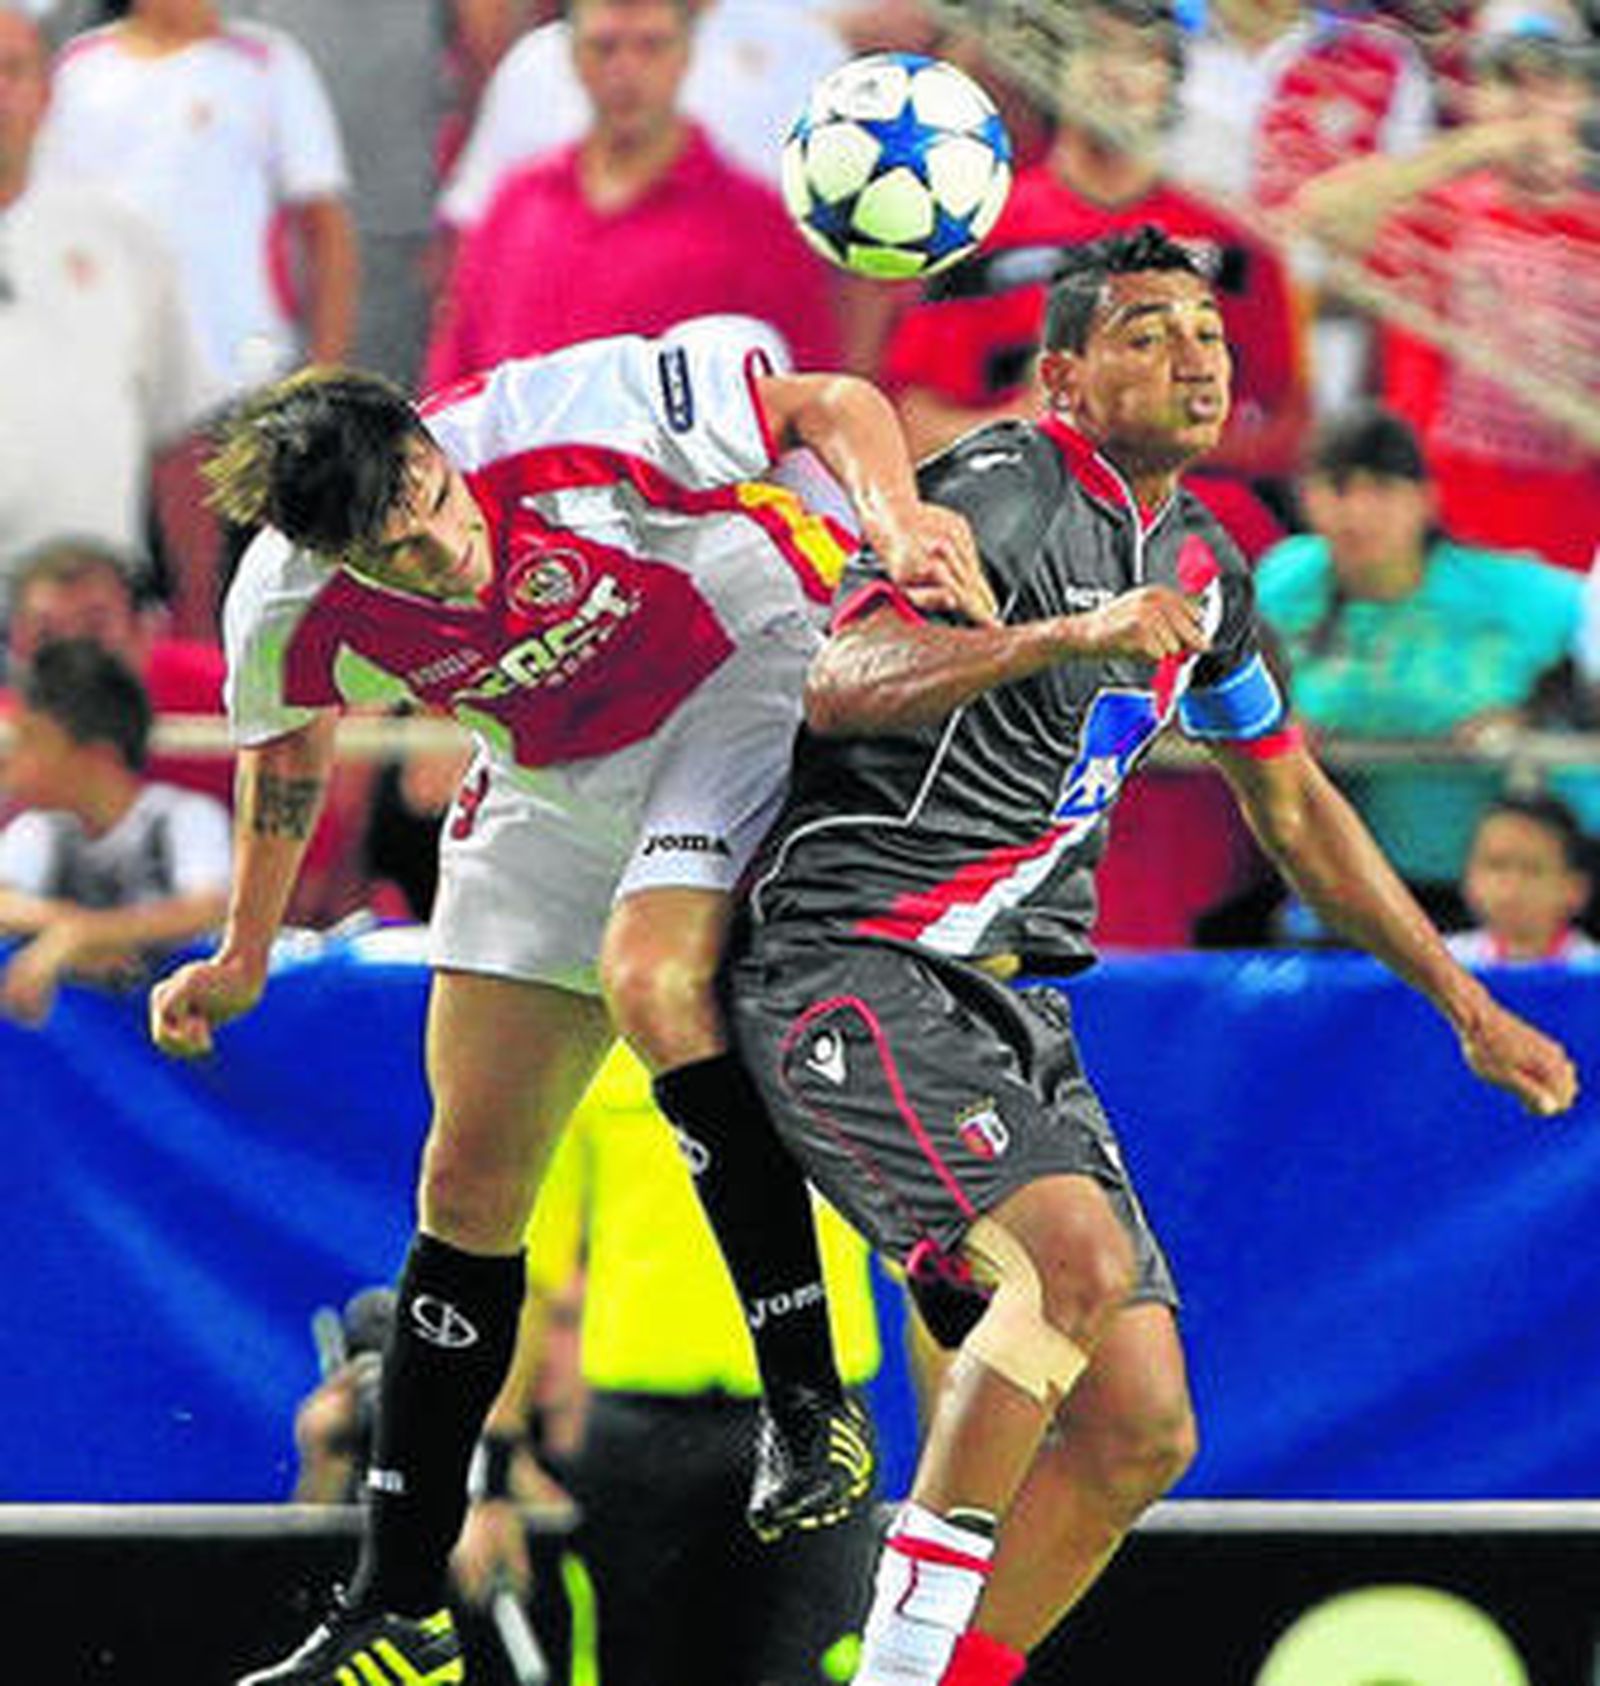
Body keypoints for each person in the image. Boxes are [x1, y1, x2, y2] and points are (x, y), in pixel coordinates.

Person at [725, 225, 1579, 1686]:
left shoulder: (1208, 565)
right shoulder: (1001, 485)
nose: (1194, 354)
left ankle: (944, 1672)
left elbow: (1294, 801)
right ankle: (898, 1675)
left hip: (1008, 999)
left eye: (1208, 332)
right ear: (1063, 372)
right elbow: (842, 674)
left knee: (1139, 1426)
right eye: (1145, 332)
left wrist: (1463, 1002)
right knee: (1066, 1262)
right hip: (854, 957)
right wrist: (1061, 634)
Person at [147, 314, 993, 1684]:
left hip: (742, 672)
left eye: (428, 503)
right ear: (333, 553)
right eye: (395, 553)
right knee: (466, 1181)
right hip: (549, 779)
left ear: (430, 442)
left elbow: (833, 399)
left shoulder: (563, 410)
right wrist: (247, 948)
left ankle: (804, 1399)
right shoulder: (286, 595)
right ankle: (400, 1600)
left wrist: (894, 524)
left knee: (652, 974)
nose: (439, 550)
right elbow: (289, 742)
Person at [449, 1042, 886, 1686]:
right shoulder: (596, 1056)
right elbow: (529, 1276)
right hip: (643, 1435)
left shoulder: (841, 1042)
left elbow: (937, 1287)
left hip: (815, 1423)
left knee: (803, 1670)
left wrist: (958, 1494)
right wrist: (487, 1483)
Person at [878, 0, 1309, 495]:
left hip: (1191, 537)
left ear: (1173, 83)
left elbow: (1292, 432)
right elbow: (911, 428)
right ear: (1056, 69)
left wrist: (1175, 436)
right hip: (1027, 527)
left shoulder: (1229, 243)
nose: (1117, 76)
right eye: (1097, 50)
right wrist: (1031, 426)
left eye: (1143, 56)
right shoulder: (982, 230)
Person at [1289, 2, 1600, 570]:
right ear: (1476, 94)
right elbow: (1314, 218)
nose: (1529, 103)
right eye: (1508, 81)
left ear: (1584, 99)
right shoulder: (1438, 210)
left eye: (1552, 82)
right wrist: (1475, 148)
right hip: (1426, 549)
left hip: (1562, 559)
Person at [1255, 402, 1587, 920]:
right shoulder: (1288, 582)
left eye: (1383, 489)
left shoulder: (1507, 592)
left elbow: (1586, 641)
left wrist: (1530, 715)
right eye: (1340, 487)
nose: (1358, 512)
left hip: (1498, 894)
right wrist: (1280, 725)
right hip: (1365, 881)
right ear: (1307, 498)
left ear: (1426, 500)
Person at [422, 0, 842, 390]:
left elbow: (809, 389)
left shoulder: (756, 225)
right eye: (604, 47)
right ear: (572, 57)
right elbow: (457, 362)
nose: (626, 70)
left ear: (686, 55)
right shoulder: (517, 204)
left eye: (651, 46)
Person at [0, 6, 215, 603]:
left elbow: (179, 439)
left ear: (46, 93)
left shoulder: (123, 238)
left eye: (12, 71)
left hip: (93, 609)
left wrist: (199, 612)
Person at [0, 637, 231, 1023]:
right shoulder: (37, 829)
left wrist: (85, 935)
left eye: (33, 741)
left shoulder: (184, 817)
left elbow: (208, 911)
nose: (14, 759)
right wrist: (74, 930)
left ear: (98, 757)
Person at [1446, 791, 1598, 964]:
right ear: (1468, 876)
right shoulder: (1444, 965)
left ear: (1576, 889)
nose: (1512, 885)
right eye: (1496, 865)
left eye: (1533, 870)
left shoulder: (1591, 968)